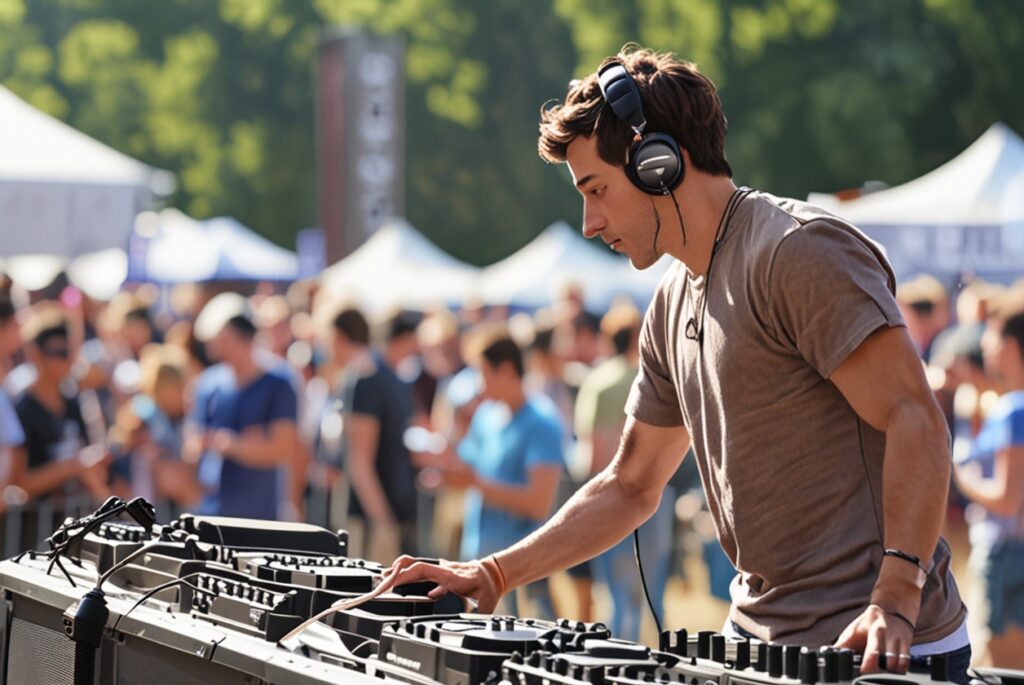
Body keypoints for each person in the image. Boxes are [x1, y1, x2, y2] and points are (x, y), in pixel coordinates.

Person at [390, 45, 968, 682]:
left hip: (883, 649)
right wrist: (494, 573)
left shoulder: (798, 252)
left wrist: (897, 597)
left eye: (597, 190)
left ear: (658, 164)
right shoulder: (669, 301)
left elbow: (916, 417)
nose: (589, 223)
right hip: (759, 640)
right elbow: (631, 486)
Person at [435, 323, 565, 618]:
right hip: (480, 566)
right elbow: (467, 466)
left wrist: (475, 483)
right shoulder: (486, 415)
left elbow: (538, 503)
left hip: (522, 575)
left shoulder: (543, 423)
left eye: (482, 373)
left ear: (505, 370)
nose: (479, 386)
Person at [574, 301, 674, 640]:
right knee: (654, 596)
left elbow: (591, 458)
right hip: (657, 495)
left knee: (617, 596)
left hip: (613, 498)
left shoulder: (598, 383)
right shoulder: (656, 378)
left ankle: (618, 664)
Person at [954, 298, 1024, 668]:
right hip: (1010, 554)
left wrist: (961, 475)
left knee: (997, 669)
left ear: (1011, 346)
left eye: (992, 336)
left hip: (1007, 555)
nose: (984, 343)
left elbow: (1007, 499)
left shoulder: (1015, 410)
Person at [187, 293, 299, 520]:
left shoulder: (280, 382)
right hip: (212, 515)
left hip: (261, 519)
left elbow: (284, 448)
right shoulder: (207, 384)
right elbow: (193, 445)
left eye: (221, 340)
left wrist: (231, 446)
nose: (213, 349)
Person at [327, 306, 417, 563]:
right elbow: (359, 461)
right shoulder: (368, 378)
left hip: (385, 513)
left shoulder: (388, 378)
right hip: (368, 519)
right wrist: (383, 521)